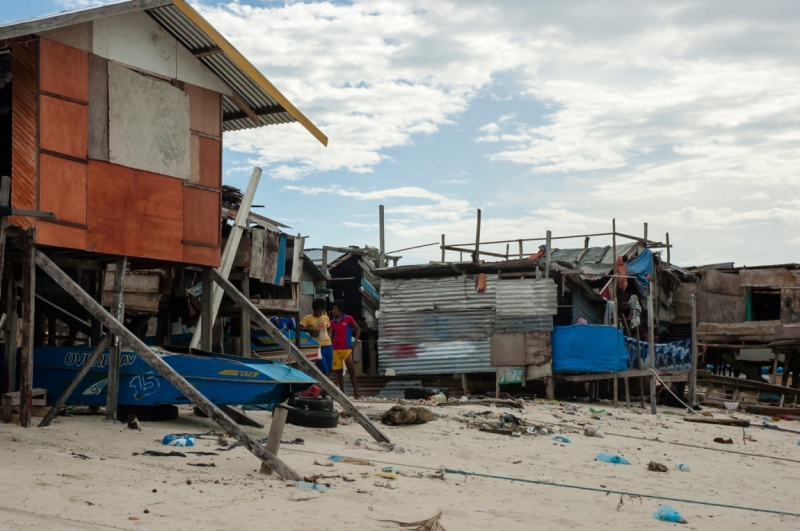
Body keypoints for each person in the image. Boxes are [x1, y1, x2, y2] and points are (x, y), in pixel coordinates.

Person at [329, 299, 360, 398]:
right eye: (332, 308)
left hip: (347, 349)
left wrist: (354, 344)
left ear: (340, 309)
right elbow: (330, 335)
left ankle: (356, 393)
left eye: (335, 308)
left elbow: (358, 329)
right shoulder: (332, 322)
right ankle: (342, 394)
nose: (333, 311)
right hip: (336, 349)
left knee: (351, 371)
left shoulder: (348, 319)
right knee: (339, 373)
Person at [299, 298, 333, 379]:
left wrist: (330, 337)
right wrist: (308, 330)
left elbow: (330, 327)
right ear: (313, 309)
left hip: (328, 346)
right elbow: (299, 328)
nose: (318, 313)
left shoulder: (326, 318)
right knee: (324, 371)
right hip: (317, 347)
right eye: (316, 311)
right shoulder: (308, 318)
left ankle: (324, 391)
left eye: (320, 311)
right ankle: (322, 389)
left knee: (329, 371)